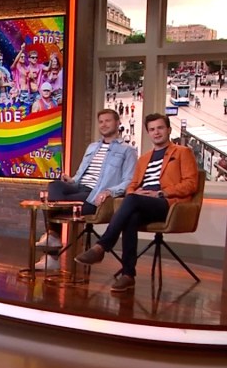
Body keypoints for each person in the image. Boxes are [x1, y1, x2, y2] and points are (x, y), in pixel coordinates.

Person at [75, 113, 198, 292]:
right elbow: (131, 185)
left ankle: (102, 246)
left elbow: (191, 184)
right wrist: (135, 192)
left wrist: (161, 193)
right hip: (142, 202)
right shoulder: (144, 158)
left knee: (131, 201)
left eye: (160, 128)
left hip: (167, 204)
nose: (156, 132)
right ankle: (128, 275)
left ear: (169, 130)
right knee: (131, 216)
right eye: (152, 129)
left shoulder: (182, 152)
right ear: (148, 133)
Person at [34, 109, 137, 270]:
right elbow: (80, 175)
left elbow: (129, 181)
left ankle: (52, 253)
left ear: (118, 123)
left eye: (108, 121)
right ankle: (53, 236)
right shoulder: (92, 147)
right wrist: (71, 180)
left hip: (96, 195)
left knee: (53, 205)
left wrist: (110, 191)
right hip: (79, 188)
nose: (103, 124)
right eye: (101, 121)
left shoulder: (127, 150)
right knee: (54, 186)